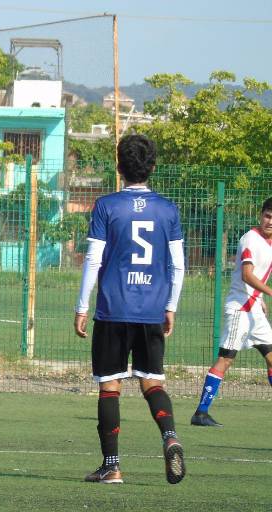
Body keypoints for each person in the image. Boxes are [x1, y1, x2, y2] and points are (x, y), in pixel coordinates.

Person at [74, 134, 186, 484]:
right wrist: (171, 306)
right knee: (152, 380)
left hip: (113, 309)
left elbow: (93, 258)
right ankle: (170, 437)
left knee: (110, 386)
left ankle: (112, 466)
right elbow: (179, 266)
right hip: (152, 310)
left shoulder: (106, 206)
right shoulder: (168, 209)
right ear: (152, 167)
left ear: (118, 167)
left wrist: (81, 305)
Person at [192, 198, 272, 427]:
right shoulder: (251, 239)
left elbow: (258, 275)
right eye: (267, 215)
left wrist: (261, 297)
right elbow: (247, 275)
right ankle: (201, 412)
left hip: (254, 309)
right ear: (261, 215)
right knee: (226, 359)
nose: (270, 221)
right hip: (240, 309)